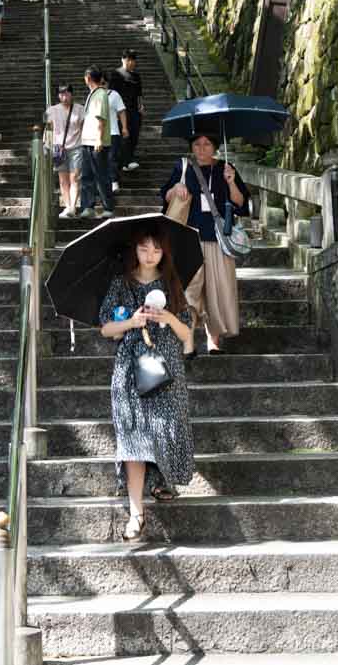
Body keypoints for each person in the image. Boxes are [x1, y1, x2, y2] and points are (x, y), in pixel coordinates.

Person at [97, 224, 196, 540]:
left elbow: (187, 333)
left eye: (157, 249)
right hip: (128, 370)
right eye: (144, 248)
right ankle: (137, 512)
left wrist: (168, 319)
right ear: (134, 251)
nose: (151, 255)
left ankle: (162, 479)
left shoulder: (171, 283)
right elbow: (105, 329)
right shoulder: (120, 284)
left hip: (165, 371)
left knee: (166, 430)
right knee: (133, 440)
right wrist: (132, 321)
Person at [163, 133, 251, 353]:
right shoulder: (183, 167)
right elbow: (164, 197)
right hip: (189, 238)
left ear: (215, 147)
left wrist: (231, 182)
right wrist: (175, 189)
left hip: (218, 240)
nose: (202, 149)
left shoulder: (226, 168)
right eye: (197, 144)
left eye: (207, 144)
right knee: (189, 292)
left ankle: (214, 339)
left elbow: (241, 204)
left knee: (218, 291)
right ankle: (188, 340)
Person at [76, 67, 116, 218]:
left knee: (101, 175)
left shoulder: (100, 94)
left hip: (96, 141)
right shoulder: (92, 94)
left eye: (85, 77)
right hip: (87, 140)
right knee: (87, 175)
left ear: (88, 78)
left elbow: (101, 118)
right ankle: (88, 207)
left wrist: (99, 138)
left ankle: (108, 207)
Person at [46, 83, 83, 215]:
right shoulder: (52, 110)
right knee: (63, 179)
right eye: (61, 93)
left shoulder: (80, 109)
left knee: (75, 177)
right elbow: (48, 129)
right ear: (58, 95)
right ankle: (67, 206)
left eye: (67, 93)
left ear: (72, 94)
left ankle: (72, 206)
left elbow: (84, 127)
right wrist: (47, 144)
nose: (64, 96)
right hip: (58, 148)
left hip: (76, 147)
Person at [107, 51, 144, 174]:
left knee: (134, 135)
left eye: (133, 60)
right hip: (121, 110)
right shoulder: (116, 74)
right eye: (128, 60)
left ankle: (127, 160)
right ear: (122, 60)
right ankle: (125, 161)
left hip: (134, 110)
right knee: (124, 136)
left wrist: (141, 106)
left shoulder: (136, 77)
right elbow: (111, 93)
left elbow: (139, 94)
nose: (131, 62)